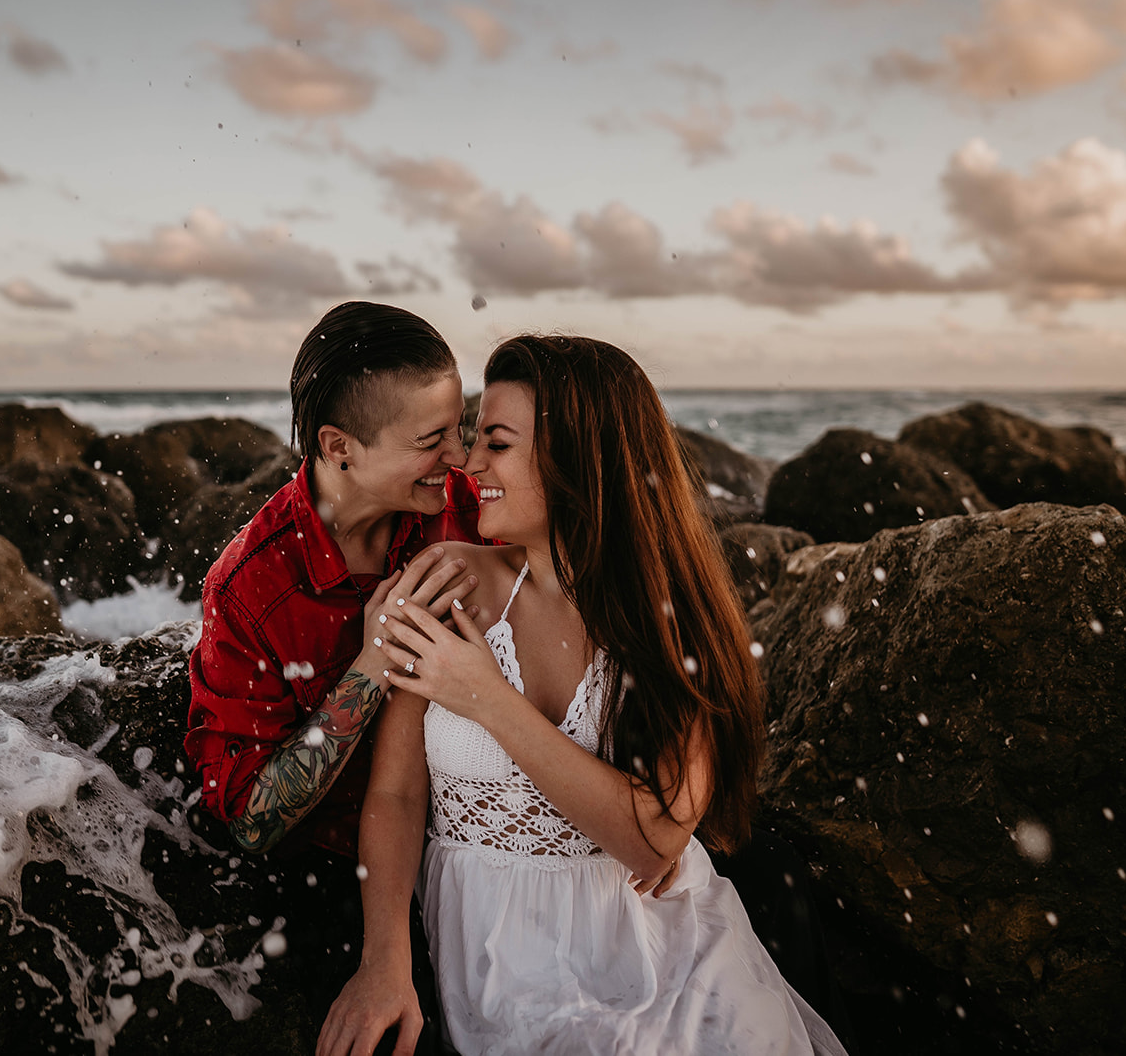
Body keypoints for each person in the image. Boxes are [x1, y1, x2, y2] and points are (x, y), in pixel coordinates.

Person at [319, 335, 849, 1056]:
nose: (469, 464)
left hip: (655, 959)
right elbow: (396, 794)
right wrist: (385, 960)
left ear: (576, 459)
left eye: (496, 443)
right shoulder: (446, 581)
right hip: (496, 962)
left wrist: (487, 699)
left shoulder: (669, 617)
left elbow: (651, 834)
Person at [184, 301, 485, 1048]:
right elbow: (252, 817)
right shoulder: (253, 589)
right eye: (432, 439)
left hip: (478, 830)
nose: (462, 456)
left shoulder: (463, 508)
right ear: (339, 447)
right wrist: (371, 665)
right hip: (338, 875)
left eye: (462, 427)